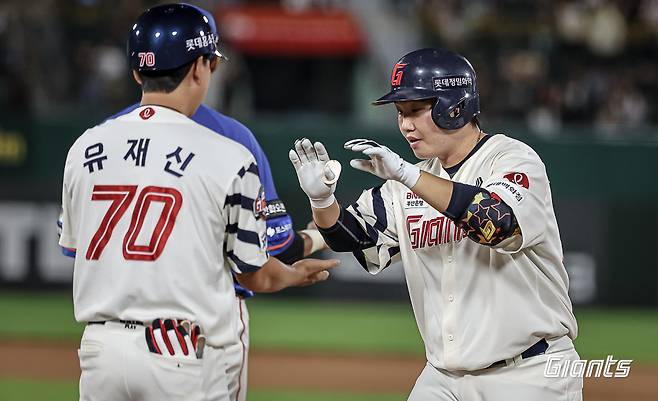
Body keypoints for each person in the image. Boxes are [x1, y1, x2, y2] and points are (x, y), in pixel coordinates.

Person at [58, 4, 337, 401]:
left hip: (99, 353)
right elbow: (253, 274)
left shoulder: (85, 147)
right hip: (179, 351)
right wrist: (297, 272)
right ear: (199, 67)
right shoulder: (229, 152)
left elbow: (74, 247)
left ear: (137, 72)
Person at [289, 48, 582, 401]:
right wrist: (323, 201)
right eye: (400, 113)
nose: (405, 125)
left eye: (415, 110)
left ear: (454, 105)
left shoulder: (511, 158)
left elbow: (496, 223)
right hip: (442, 379)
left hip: (528, 374)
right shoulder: (407, 182)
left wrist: (408, 175)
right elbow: (350, 234)